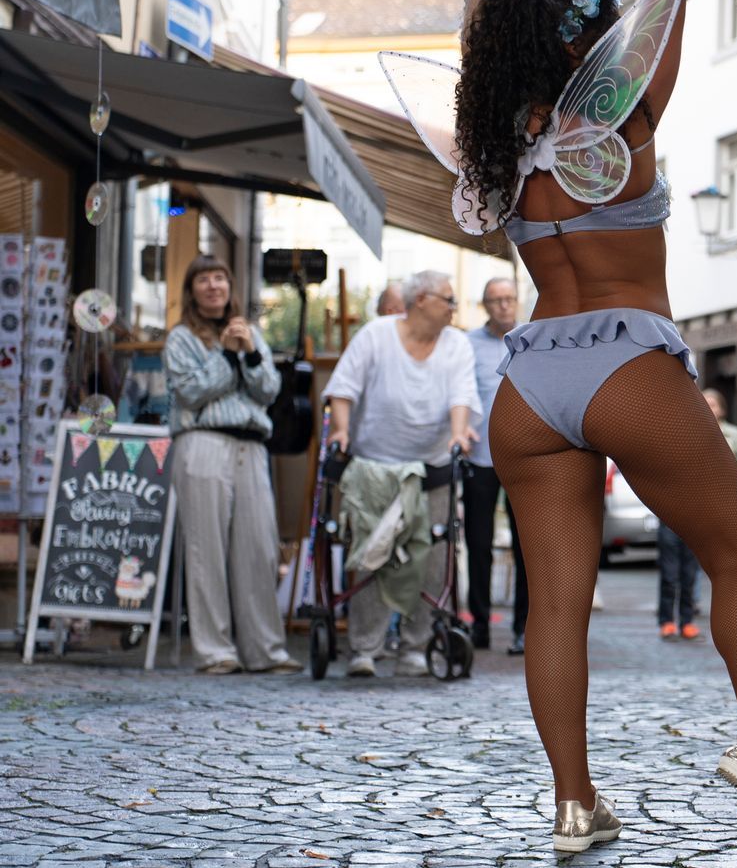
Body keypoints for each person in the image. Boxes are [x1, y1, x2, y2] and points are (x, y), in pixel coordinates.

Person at [437, 0, 737, 852]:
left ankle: (573, 801)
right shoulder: (620, 114)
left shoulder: (498, 146)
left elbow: (479, 33)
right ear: (584, 44)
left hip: (532, 379)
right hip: (626, 361)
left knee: (555, 603)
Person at [325, 269, 481, 678]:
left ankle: (417, 646)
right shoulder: (376, 335)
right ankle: (364, 647)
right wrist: (341, 430)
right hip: (376, 466)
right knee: (372, 553)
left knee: (430, 556)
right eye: (448, 299)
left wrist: (460, 432)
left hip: (433, 465)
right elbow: (344, 388)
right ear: (421, 300)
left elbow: (461, 395)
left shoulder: (456, 344)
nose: (453, 307)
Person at [163, 255, 300, 676]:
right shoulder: (181, 338)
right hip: (203, 441)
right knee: (207, 550)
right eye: (203, 279)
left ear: (230, 286)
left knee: (258, 548)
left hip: (251, 446)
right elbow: (191, 392)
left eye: (219, 277)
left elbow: (268, 393)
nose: (213, 286)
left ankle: (265, 650)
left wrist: (251, 355)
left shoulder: (250, 332)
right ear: (192, 290)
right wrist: (225, 355)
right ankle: (215, 649)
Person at [657, 390, 737, 641]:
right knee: (669, 571)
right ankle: (666, 620)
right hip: (673, 509)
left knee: (691, 569)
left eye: (713, 403)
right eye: (704, 402)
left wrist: (730, 488)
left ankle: (687, 620)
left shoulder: (733, 436)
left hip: (706, 511)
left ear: (722, 408)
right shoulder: (681, 430)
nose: (708, 407)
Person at [466, 276, 529, 654]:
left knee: (526, 547)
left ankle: (524, 628)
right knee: (478, 544)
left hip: (522, 457)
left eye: (508, 299)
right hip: (479, 457)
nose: (504, 305)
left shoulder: (530, 339)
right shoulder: (467, 345)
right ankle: (479, 626)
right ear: (485, 305)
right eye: (495, 300)